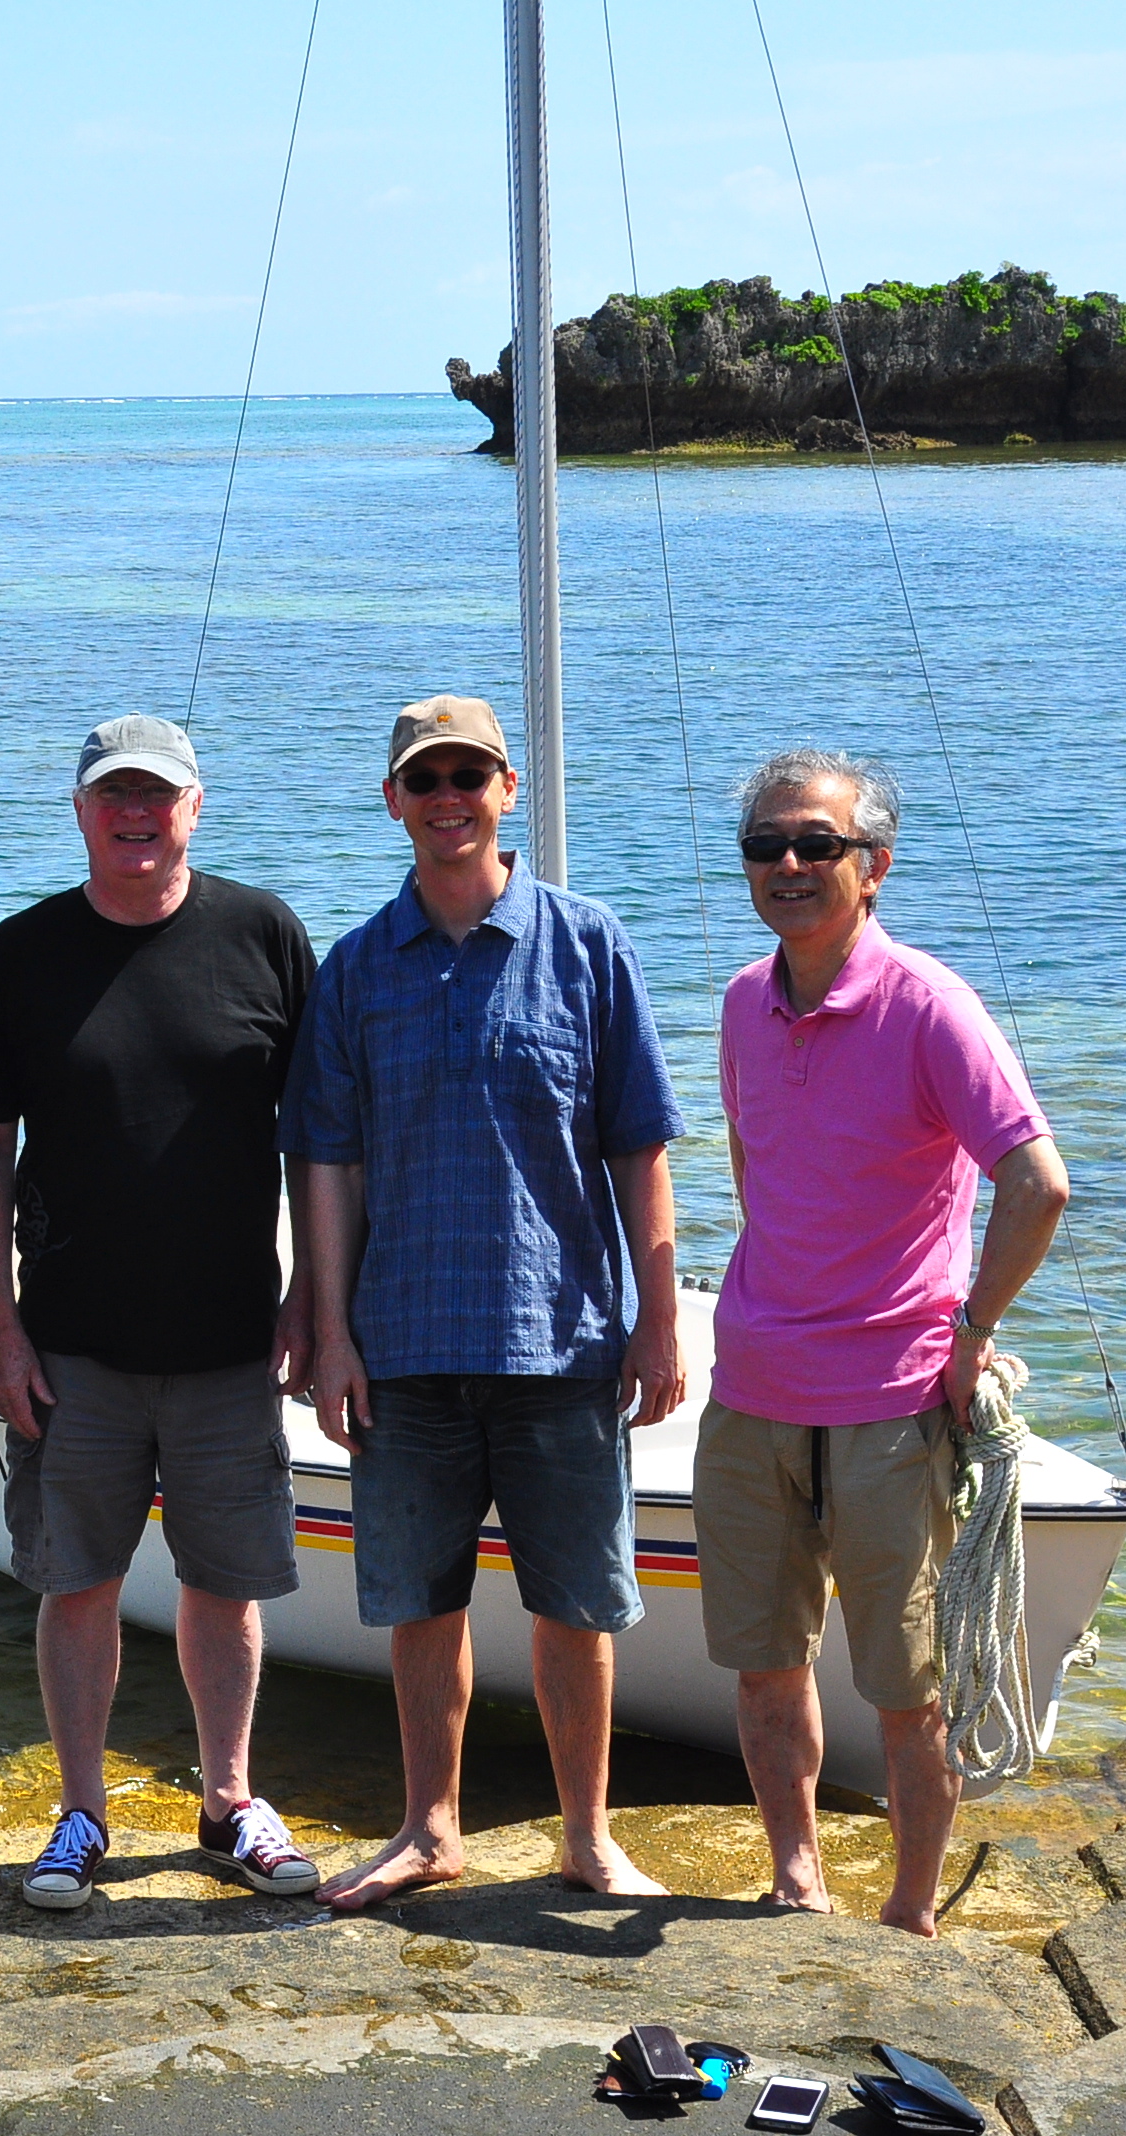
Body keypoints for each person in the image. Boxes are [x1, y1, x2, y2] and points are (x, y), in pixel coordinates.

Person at [283, 695, 688, 1912]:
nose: (448, 798)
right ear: (393, 801)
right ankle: (430, 1828)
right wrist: (332, 1334)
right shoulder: (357, 967)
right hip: (405, 1342)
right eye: (426, 780)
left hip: (563, 1340)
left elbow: (639, 1145)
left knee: (578, 1605)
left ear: (510, 788)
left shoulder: (588, 943)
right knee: (420, 1603)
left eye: (470, 776)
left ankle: (587, 1837)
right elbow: (328, 1166)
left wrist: (659, 1317)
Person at [696, 748, 1069, 1937]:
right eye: (766, 845)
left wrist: (973, 1332)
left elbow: (1038, 1185)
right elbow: (755, 1165)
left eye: (817, 844)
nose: (789, 865)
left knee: (910, 1693)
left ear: (875, 866)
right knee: (764, 1669)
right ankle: (796, 1879)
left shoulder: (930, 1006)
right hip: (753, 1391)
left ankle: (910, 1916)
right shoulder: (743, 1002)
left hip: (891, 1408)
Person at [0, 715, 323, 1911]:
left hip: (232, 1339)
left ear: (194, 807)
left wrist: (314, 1294)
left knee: (226, 1582)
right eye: (113, 795)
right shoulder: (22, 956)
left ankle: (230, 1801)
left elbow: (318, 1139)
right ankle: (81, 1814)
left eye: (157, 795)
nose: (136, 815)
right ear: (79, 812)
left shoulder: (264, 934)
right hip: (72, 1345)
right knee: (78, 1581)